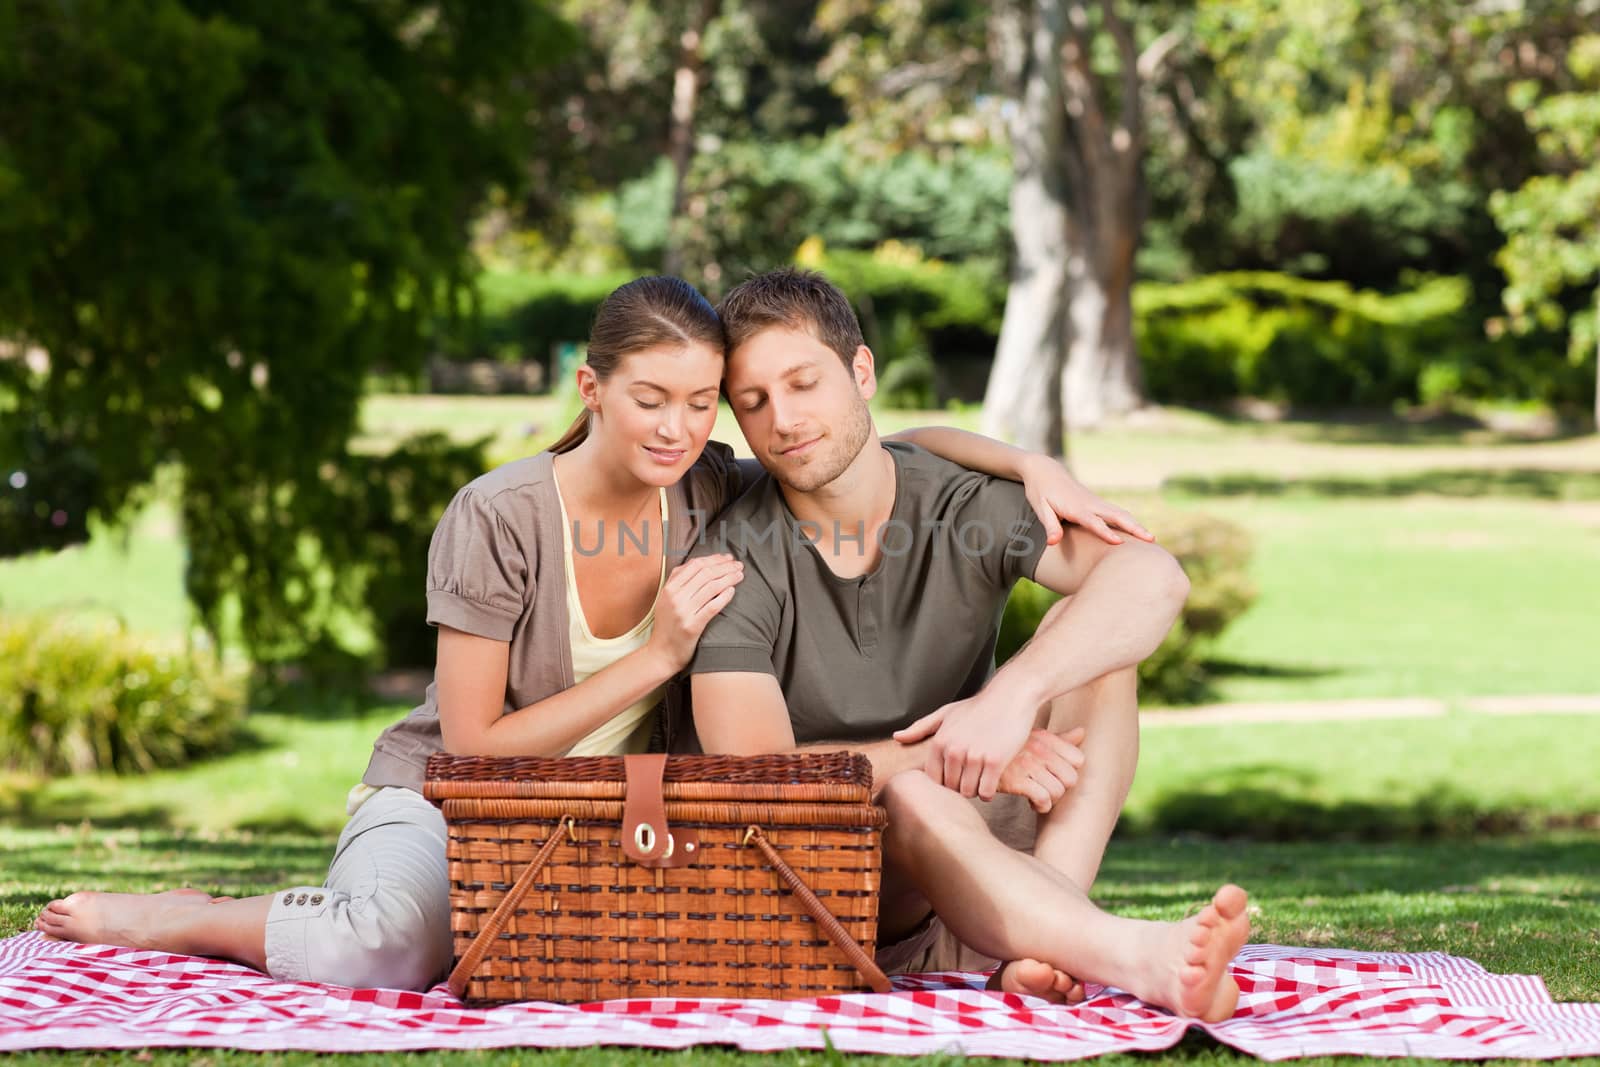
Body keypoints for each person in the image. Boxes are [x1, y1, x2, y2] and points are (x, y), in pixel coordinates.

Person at [34, 275, 1149, 993]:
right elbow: (470, 747)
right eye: (650, 398)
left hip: (618, 812)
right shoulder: (499, 514)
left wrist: (1023, 463)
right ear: (592, 387)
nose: (680, 425)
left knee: (689, 956)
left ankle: (1055, 935)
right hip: (454, 797)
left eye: (703, 401)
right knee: (382, 950)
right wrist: (659, 657)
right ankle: (192, 916)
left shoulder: (713, 489)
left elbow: (864, 439)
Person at [685, 268, 1251, 1021]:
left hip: (984, 862)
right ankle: (1131, 954)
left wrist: (1009, 700)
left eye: (803, 382)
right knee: (915, 791)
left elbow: (1152, 576)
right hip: (841, 899)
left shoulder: (956, 500)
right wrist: (945, 748)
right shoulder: (735, 555)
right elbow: (755, 781)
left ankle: (1041, 948)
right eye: (753, 402)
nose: (783, 418)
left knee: (1095, 644)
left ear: (861, 372)